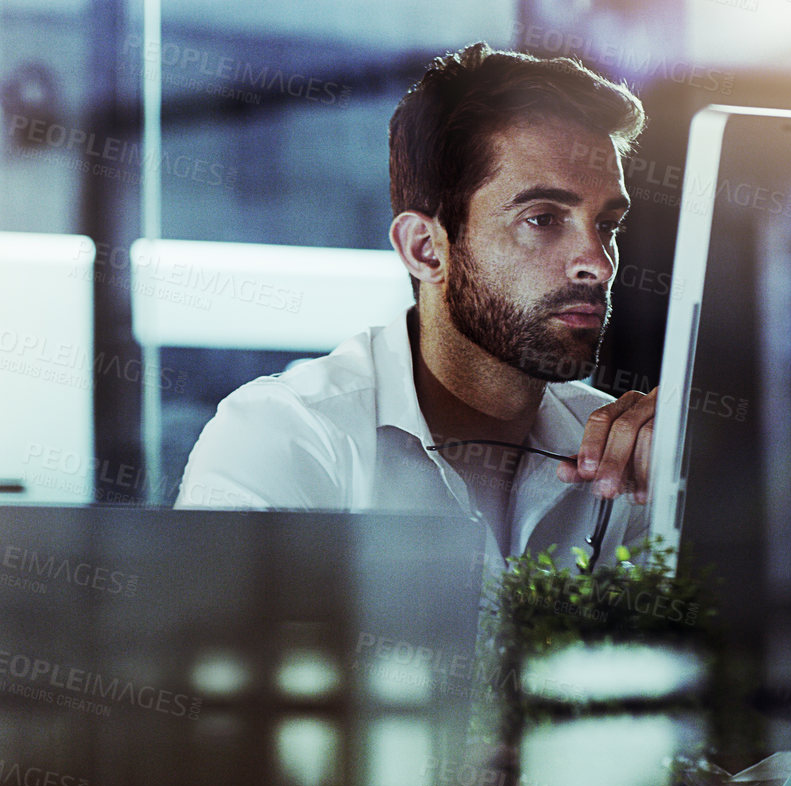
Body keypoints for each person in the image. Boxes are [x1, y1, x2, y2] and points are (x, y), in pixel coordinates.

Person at [176, 42, 657, 567]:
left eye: (607, 225)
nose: (598, 264)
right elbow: (211, 646)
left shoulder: (625, 451)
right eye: (541, 219)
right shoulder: (286, 436)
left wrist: (700, 483)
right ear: (426, 250)